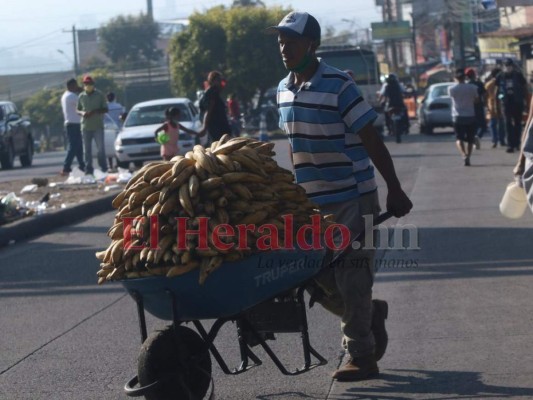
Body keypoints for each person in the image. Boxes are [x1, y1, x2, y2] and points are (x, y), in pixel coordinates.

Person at [267, 11, 413, 381]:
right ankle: (369, 313)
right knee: (315, 276)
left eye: (291, 41)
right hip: (312, 202)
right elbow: (295, 145)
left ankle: (362, 355)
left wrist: (394, 188)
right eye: (281, 41)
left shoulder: (339, 85)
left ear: (311, 44)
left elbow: (371, 139)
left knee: (352, 276)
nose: (284, 47)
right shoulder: (282, 89)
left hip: (353, 196)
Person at [77, 75, 108, 174]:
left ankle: (103, 167)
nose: (88, 86)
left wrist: (94, 111)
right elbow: (78, 109)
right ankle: (88, 168)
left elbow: (105, 109)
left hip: (97, 126)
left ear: (93, 84)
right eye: (86, 84)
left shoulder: (99, 95)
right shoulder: (81, 96)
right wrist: (82, 113)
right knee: (87, 150)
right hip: (85, 126)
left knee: (100, 149)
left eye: (89, 84)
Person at [448, 68, 479, 166]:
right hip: (470, 115)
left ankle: (463, 154)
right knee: (470, 139)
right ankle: (468, 156)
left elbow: (452, 98)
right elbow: (477, 100)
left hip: (457, 116)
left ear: (455, 78)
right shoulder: (473, 87)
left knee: (459, 138)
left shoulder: (451, 89)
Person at [497, 58, 529, 153]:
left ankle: (517, 143)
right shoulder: (500, 76)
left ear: (512, 66)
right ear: (503, 66)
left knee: (518, 123)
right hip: (506, 103)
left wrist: (526, 101)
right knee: (507, 124)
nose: (507, 67)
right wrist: (499, 100)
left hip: (517, 102)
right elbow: (497, 91)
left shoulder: (518, 75)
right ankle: (510, 144)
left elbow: (524, 88)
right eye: (506, 65)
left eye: (509, 65)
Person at [60, 78, 85, 176]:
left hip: (72, 123)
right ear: (70, 86)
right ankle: (66, 167)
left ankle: (82, 165)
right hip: (73, 123)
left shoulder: (65, 95)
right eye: (75, 85)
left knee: (78, 146)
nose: (76, 87)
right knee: (73, 146)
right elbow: (82, 105)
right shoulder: (71, 96)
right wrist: (82, 91)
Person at [198, 71, 231, 144]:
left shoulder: (215, 91)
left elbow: (223, 85)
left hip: (219, 124)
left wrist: (223, 80)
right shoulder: (212, 93)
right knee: (218, 144)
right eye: (218, 80)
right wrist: (204, 127)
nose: (220, 82)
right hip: (216, 125)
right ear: (213, 81)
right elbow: (208, 111)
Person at [465, 68, 487, 150]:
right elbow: (484, 94)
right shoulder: (478, 84)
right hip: (478, 106)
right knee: (483, 125)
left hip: (469, 107)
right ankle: (477, 136)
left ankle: (474, 139)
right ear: (474, 75)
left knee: (473, 126)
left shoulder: (466, 85)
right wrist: (485, 103)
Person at [485, 67, 506, 149]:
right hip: (500, 105)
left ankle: (494, 140)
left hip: (491, 105)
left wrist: (486, 106)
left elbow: (485, 96)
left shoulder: (488, 84)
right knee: (501, 124)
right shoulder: (501, 83)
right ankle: (502, 140)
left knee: (493, 124)